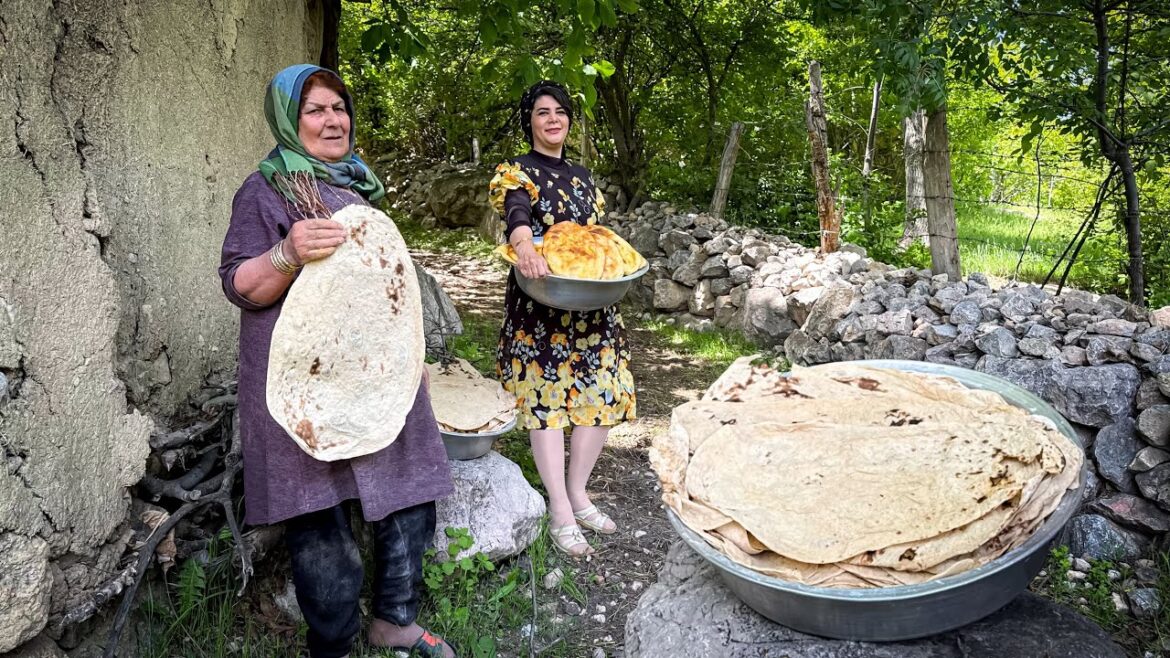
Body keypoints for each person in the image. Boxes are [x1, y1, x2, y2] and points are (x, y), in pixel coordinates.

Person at [218, 64, 456, 658]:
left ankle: (395, 620)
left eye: (339, 107)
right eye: (315, 109)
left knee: (408, 491)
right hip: (298, 382)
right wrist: (286, 250)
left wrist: (405, 355)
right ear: (288, 121)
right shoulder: (266, 189)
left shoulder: (356, 189)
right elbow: (239, 285)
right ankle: (335, 645)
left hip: (374, 375)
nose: (333, 119)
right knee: (317, 517)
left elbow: (381, 290)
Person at [488, 81, 638, 557]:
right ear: (529, 120)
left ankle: (579, 492)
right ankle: (558, 509)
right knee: (546, 402)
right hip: (542, 301)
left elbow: (593, 234)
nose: (552, 119)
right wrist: (526, 246)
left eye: (560, 112)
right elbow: (516, 214)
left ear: (569, 120)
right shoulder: (517, 171)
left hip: (592, 302)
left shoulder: (582, 175)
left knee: (604, 392)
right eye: (542, 112)